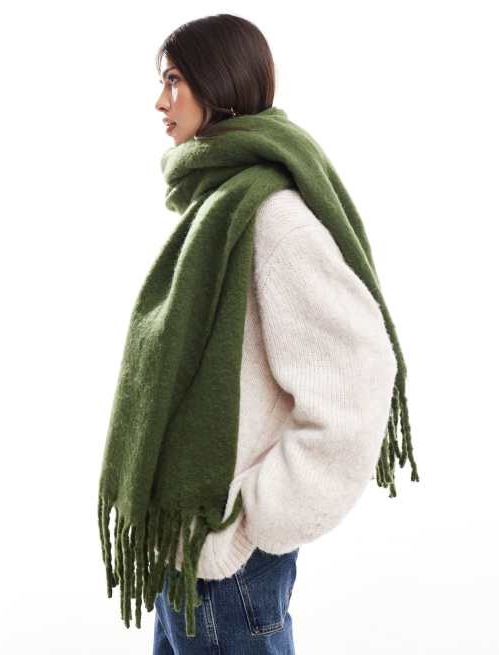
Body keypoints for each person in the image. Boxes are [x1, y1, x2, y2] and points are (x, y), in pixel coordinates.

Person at [97, 12, 419, 655]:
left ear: (217, 84)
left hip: (226, 567)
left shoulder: (273, 217)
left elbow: (358, 376)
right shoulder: (219, 205)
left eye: (174, 81)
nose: (160, 101)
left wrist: (254, 521)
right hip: (185, 552)